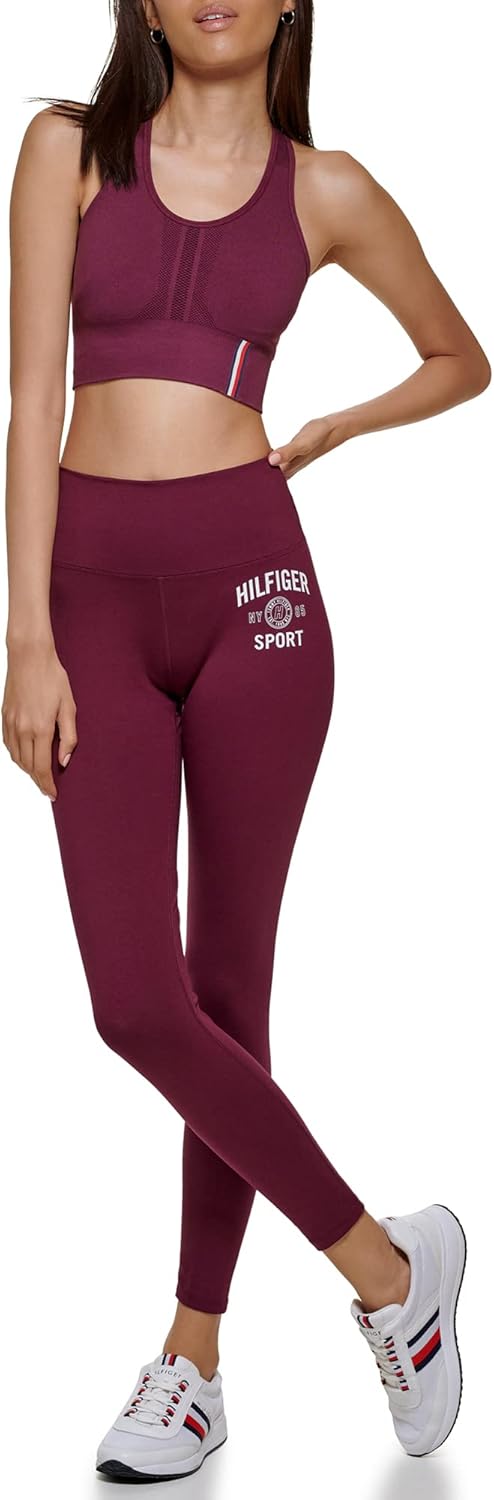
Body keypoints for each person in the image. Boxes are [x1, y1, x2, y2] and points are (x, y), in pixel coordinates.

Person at [2, 0, 489, 1483]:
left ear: (290, 1)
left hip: (257, 594)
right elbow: (31, 397)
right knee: (137, 1005)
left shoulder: (327, 188)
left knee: (226, 991)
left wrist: (336, 425)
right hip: (86, 601)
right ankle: (390, 1271)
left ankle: (193, 1360)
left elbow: (459, 357)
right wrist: (26, 637)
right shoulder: (66, 150)